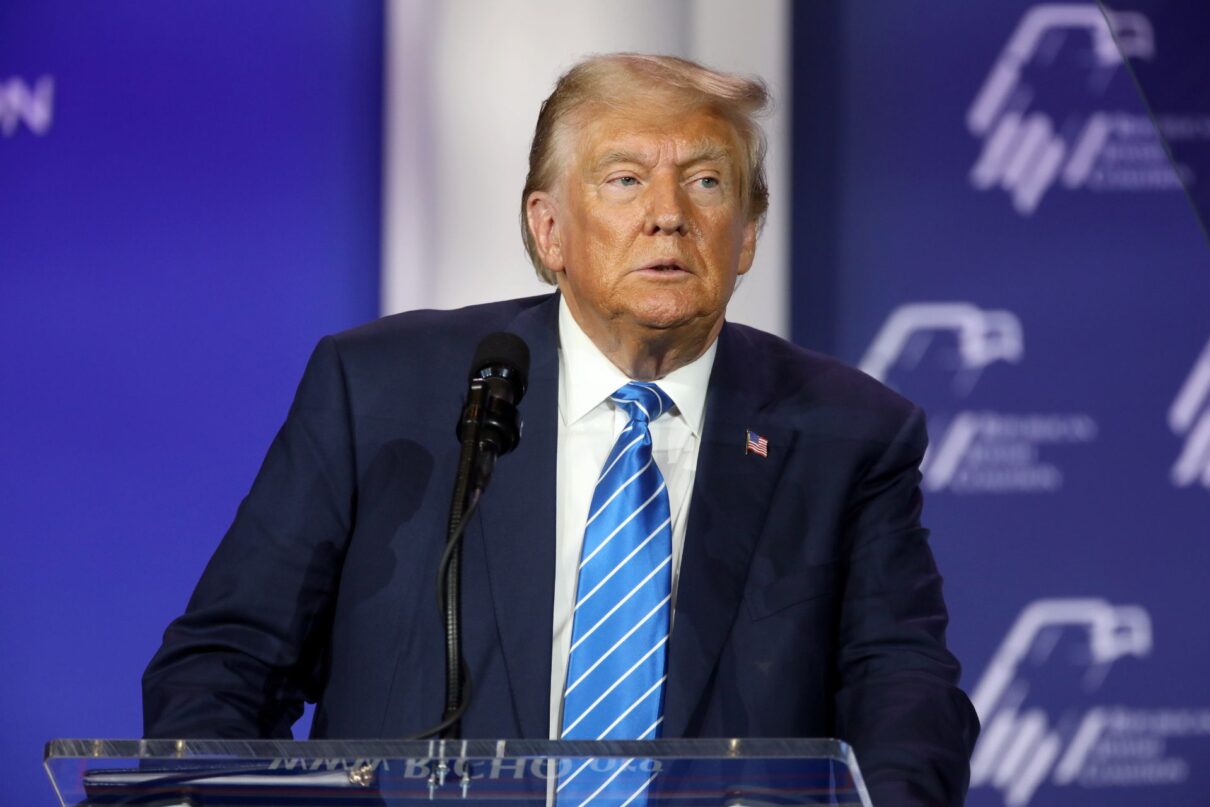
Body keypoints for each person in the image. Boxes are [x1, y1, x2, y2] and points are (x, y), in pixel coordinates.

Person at [143, 54, 979, 805]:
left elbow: (906, 695)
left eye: (707, 182)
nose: (668, 215)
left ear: (748, 233)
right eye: (623, 179)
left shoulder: (845, 432)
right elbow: (226, 661)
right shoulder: (382, 391)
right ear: (549, 230)